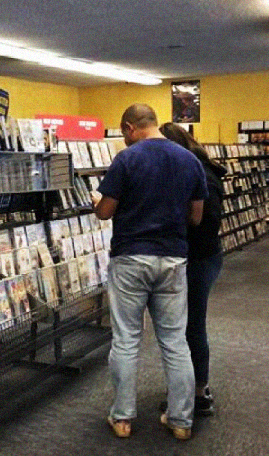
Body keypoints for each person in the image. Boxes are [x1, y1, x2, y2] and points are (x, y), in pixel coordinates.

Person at [92, 104, 206, 440]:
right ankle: (181, 420)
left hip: (130, 258)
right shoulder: (190, 160)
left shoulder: (127, 159)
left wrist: (96, 204)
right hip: (172, 258)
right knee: (175, 343)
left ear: (129, 127)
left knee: (126, 341)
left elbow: (105, 212)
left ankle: (123, 418)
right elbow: (196, 216)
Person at [159, 122, 226, 415]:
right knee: (183, 325)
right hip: (192, 257)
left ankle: (199, 392)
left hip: (198, 258)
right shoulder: (191, 168)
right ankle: (188, 386)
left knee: (193, 325)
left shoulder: (202, 174)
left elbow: (206, 222)